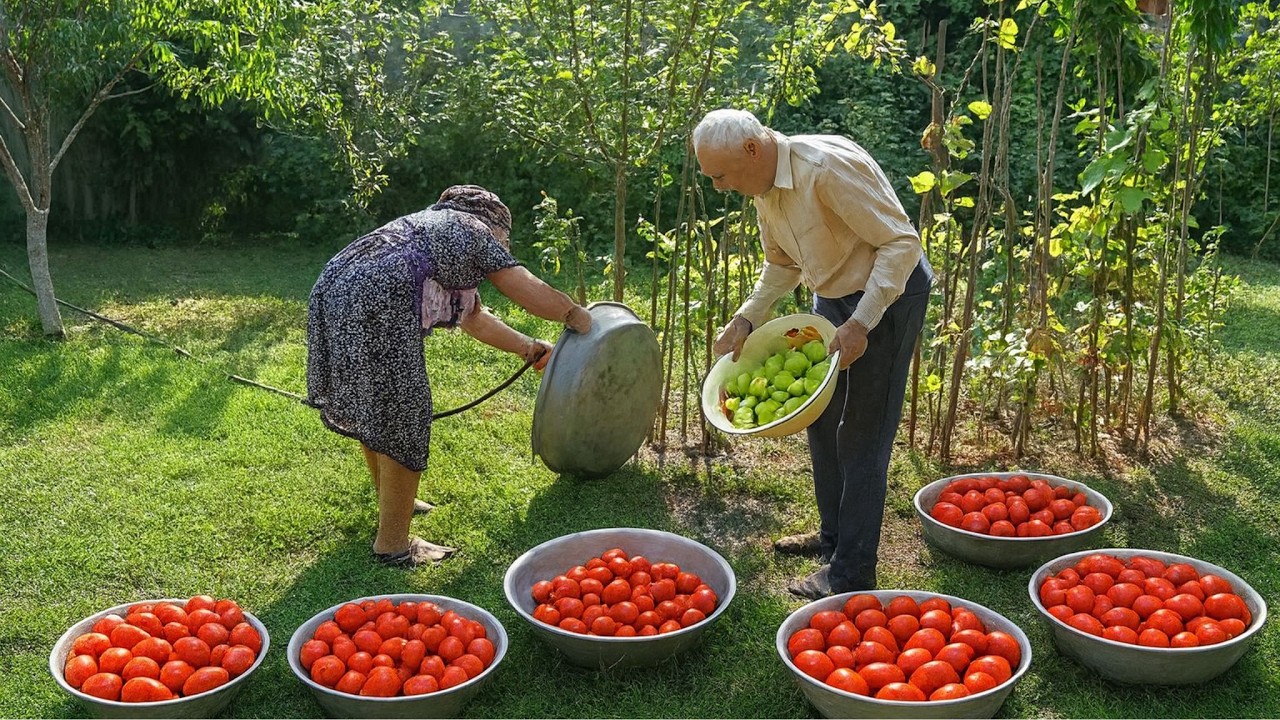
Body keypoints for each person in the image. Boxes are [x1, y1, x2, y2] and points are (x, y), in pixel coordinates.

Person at [693, 109, 933, 599]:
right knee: (822, 420)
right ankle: (832, 539)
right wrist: (746, 318)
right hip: (834, 293)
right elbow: (780, 264)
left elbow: (901, 244)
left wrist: (862, 323)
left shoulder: (824, 170)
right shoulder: (763, 187)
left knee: (863, 432)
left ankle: (851, 573)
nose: (718, 187)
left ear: (753, 151)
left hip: (888, 293)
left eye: (719, 175)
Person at [306, 185, 593, 567]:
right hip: (380, 299)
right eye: (504, 241)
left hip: (334, 289)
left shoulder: (431, 231)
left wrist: (528, 348)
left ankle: (394, 500)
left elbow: (473, 317)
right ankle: (394, 544)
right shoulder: (472, 229)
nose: (503, 247)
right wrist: (574, 314)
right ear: (495, 225)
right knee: (403, 413)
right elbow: (522, 284)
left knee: (375, 406)